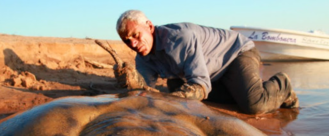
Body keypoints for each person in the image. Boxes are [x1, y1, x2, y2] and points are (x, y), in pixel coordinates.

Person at [114, 10, 298, 114]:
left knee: (254, 105)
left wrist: (174, 99)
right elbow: (144, 91)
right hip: (210, 70)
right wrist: (131, 81)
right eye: (127, 41)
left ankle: (282, 85)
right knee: (175, 85)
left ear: (150, 26)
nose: (133, 44)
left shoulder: (180, 38)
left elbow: (200, 86)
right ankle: (240, 88)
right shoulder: (142, 57)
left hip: (236, 53)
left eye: (136, 35)